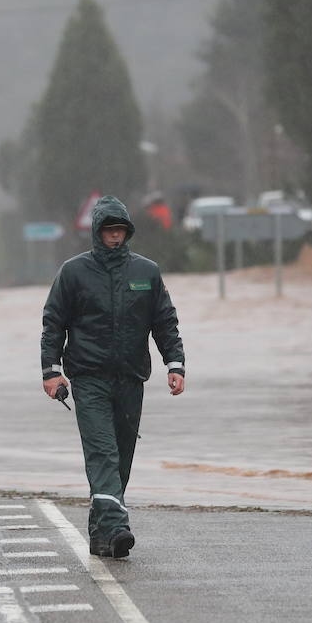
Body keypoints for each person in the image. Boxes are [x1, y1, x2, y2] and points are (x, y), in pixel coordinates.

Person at [40, 195, 185, 558]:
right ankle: (118, 526)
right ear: (97, 233)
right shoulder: (73, 272)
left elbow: (164, 321)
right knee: (102, 453)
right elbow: (53, 323)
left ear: (128, 232)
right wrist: (51, 372)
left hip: (131, 379)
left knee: (121, 457)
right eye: (109, 231)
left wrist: (175, 364)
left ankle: (102, 535)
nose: (115, 237)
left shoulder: (146, 272)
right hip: (88, 379)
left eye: (120, 230)